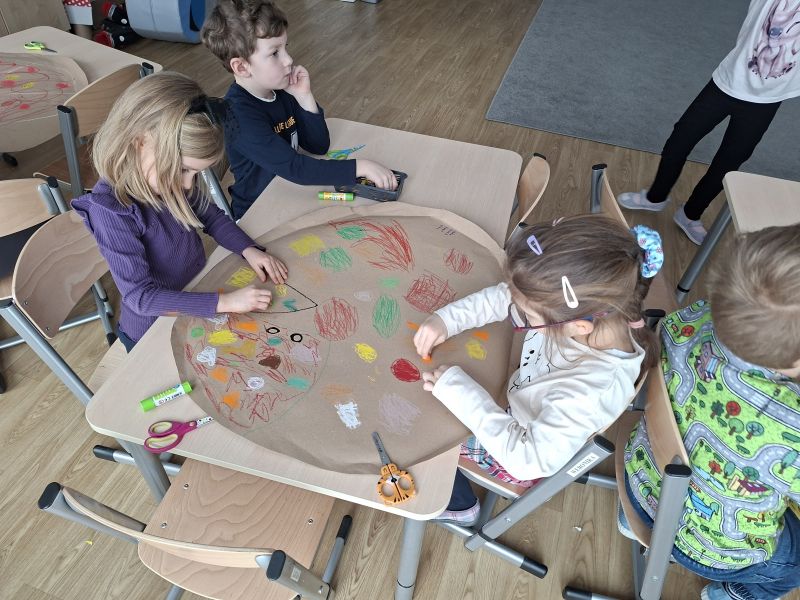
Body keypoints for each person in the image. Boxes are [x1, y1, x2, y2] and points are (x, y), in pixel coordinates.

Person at [413, 215, 663, 524]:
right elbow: (509, 297)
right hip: (514, 400)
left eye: (528, 317)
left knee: (421, 427)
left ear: (578, 326)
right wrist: (447, 320)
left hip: (511, 451)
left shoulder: (592, 391)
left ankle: (458, 503)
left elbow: (526, 460)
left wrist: (460, 394)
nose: (520, 314)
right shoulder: (591, 310)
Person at [623, 223, 800, 600]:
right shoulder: (792, 432)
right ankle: (735, 594)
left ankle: (629, 518)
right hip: (713, 549)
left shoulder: (690, 320)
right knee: (795, 564)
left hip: (641, 478)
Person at [73, 71, 288, 353]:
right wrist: (225, 302)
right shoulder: (111, 212)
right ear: (141, 142)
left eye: (195, 174)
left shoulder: (165, 177)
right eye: (184, 170)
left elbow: (211, 216)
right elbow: (141, 298)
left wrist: (248, 249)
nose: (188, 185)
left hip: (195, 294)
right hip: (151, 332)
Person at [617, 0, 800, 246]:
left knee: (729, 163)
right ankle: (655, 197)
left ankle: (690, 214)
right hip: (727, 84)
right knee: (681, 139)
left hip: (766, 101)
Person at [201, 0, 397, 220]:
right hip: (259, 214)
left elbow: (318, 145)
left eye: (286, 47)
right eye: (275, 53)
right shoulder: (237, 115)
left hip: (291, 192)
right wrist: (358, 167)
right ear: (241, 67)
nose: (289, 60)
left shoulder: (281, 90)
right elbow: (295, 168)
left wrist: (304, 96)